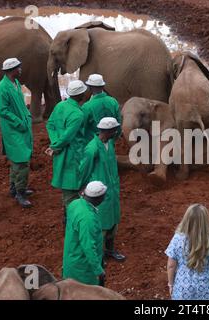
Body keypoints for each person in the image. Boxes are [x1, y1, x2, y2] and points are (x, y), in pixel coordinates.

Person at [79, 117, 125, 262]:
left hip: (112, 189)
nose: (116, 132)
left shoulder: (109, 143)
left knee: (113, 222)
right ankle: (99, 254)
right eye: (114, 130)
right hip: (99, 191)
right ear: (108, 131)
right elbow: (84, 169)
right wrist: (83, 188)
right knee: (101, 225)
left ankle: (110, 250)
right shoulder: (92, 148)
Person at [46, 80, 87, 222]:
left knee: (66, 188)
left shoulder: (60, 106)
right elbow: (68, 137)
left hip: (61, 154)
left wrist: (54, 143)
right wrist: (56, 145)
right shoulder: (77, 114)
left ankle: (68, 215)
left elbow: (50, 125)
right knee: (73, 189)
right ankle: (71, 220)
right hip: (73, 154)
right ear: (80, 94)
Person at [0, 58, 34, 208]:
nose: (21, 70)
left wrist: (27, 116)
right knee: (22, 161)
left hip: (21, 127)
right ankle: (20, 192)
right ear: (12, 70)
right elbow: (2, 110)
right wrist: (19, 122)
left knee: (16, 160)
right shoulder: (3, 87)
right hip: (13, 129)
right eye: (19, 68)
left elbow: (20, 104)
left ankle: (14, 188)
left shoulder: (16, 83)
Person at [165, 204, 209, 300]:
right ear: (206, 221)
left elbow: (171, 266)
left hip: (183, 288)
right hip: (206, 287)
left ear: (187, 219)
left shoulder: (177, 238)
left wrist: (171, 284)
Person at [62, 181, 107, 286]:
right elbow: (88, 247)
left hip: (71, 257)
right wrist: (98, 270)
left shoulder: (75, 203)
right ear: (99, 198)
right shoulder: (88, 219)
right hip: (82, 268)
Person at [82, 74, 121, 144]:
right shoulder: (113, 101)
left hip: (93, 142)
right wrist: (114, 139)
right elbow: (119, 123)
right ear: (103, 86)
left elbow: (82, 128)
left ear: (89, 87)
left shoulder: (86, 106)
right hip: (110, 142)